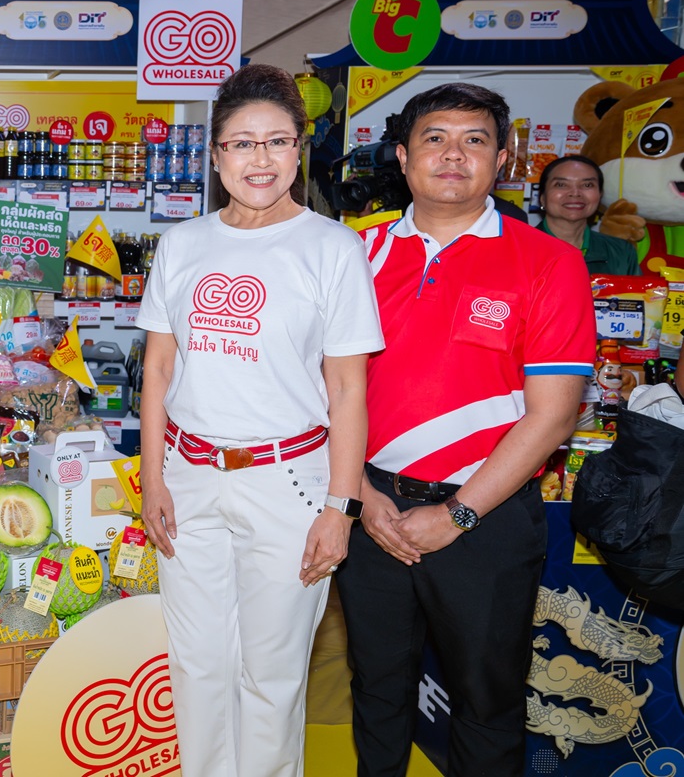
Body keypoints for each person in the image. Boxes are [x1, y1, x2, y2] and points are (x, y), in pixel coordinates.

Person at [135, 64, 384, 777]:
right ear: (216, 156)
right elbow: (158, 372)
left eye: (278, 142)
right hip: (189, 478)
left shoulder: (332, 248)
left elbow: (348, 389)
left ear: (299, 150)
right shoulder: (183, 245)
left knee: (272, 678)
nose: (261, 159)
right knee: (198, 667)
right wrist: (154, 479)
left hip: (291, 483)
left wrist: (341, 506)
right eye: (242, 144)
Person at [341, 83, 593, 776]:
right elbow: (318, 391)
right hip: (371, 509)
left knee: (487, 702)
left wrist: (457, 514)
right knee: (377, 689)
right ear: (402, 156)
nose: (453, 154)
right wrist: (360, 494)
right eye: (435, 138)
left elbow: (554, 414)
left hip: (488, 517)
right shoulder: (352, 254)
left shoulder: (549, 261)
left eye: (474, 140)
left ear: (503, 159)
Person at [535, 153, 640, 276]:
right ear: (542, 198)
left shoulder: (621, 252)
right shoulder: (519, 249)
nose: (575, 193)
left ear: (600, 195)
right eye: (561, 185)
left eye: (587, 185)